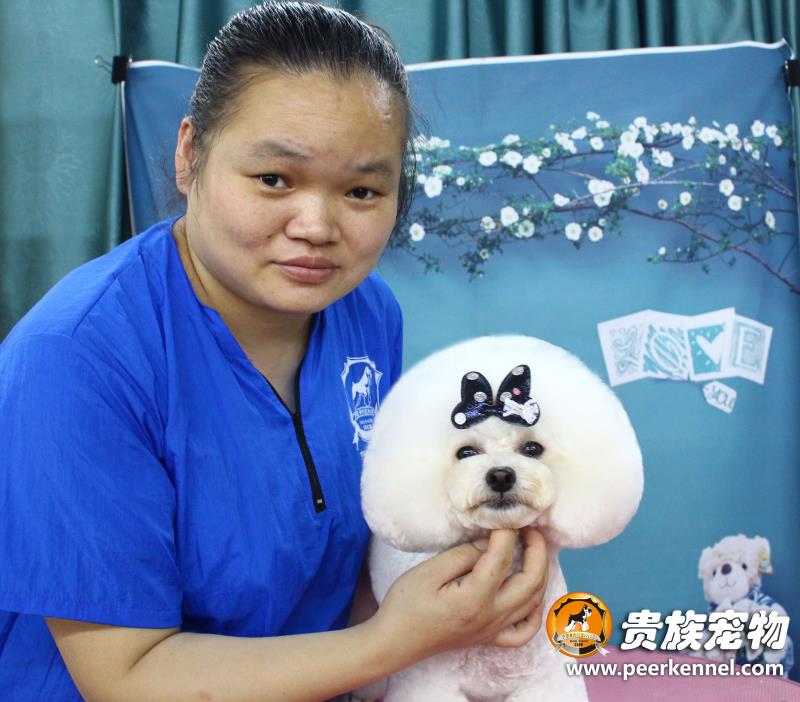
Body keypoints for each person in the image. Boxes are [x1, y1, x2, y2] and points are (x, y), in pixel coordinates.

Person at [0, 2, 548, 700]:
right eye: (274, 180)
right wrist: (397, 640)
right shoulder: (77, 359)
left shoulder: (367, 314)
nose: (316, 226)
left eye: (361, 190)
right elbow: (126, 677)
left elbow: (356, 548)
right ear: (190, 154)